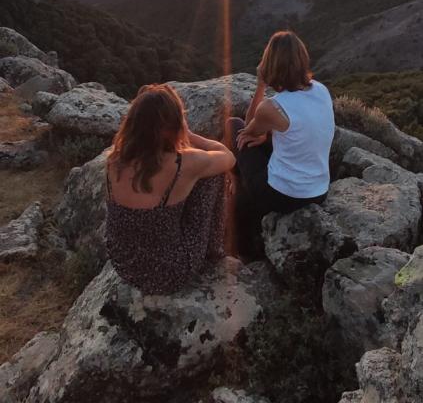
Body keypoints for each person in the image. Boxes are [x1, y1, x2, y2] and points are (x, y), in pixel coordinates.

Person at [106, 83, 235, 294]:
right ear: (173, 126)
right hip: (170, 274)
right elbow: (228, 157)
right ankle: (213, 251)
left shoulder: (113, 160)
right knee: (213, 175)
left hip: (123, 266)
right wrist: (190, 135)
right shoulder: (183, 164)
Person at [226, 31, 335, 257]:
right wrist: (266, 136)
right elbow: (293, 128)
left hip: (282, 195)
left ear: (269, 66)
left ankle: (232, 179)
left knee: (232, 125)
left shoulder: (272, 107)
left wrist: (260, 86)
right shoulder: (322, 90)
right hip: (318, 190)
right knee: (263, 138)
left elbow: (247, 129)